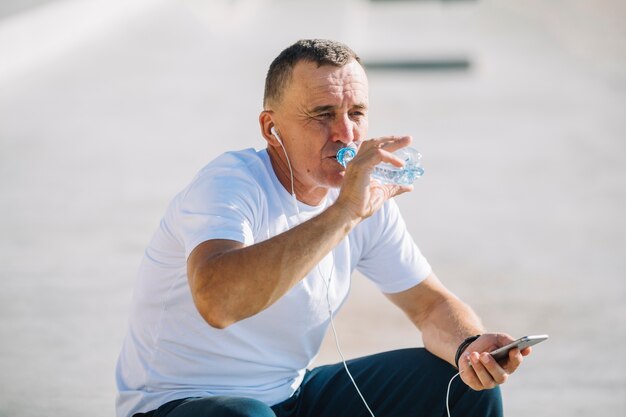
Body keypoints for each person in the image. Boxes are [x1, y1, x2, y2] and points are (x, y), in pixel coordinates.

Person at [115, 39, 532, 417]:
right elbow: (218, 303)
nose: (345, 133)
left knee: (465, 388)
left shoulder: (361, 198)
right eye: (322, 114)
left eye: (356, 114)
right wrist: (344, 213)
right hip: (179, 404)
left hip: (291, 398)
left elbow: (430, 305)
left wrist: (468, 347)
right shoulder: (229, 184)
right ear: (270, 128)